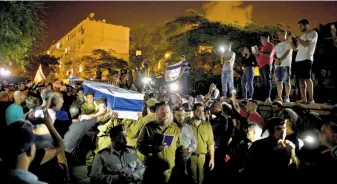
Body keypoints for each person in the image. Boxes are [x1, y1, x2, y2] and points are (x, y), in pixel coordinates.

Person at [137, 101, 183, 183]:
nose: (165, 115)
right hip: (153, 171)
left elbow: (179, 149)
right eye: (162, 112)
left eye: (167, 112)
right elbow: (140, 146)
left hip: (169, 170)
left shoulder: (175, 128)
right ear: (156, 113)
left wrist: (179, 167)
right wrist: (154, 149)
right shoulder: (149, 127)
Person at [293, 19, 318, 104]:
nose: (300, 28)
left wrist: (298, 39)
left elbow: (306, 44)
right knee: (300, 80)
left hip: (307, 58)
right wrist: (290, 41)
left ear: (306, 25)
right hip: (298, 59)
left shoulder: (313, 33)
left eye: (301, 26)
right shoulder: (302, 36)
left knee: (307, 78)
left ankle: (311, 99)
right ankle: (304, 99)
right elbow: (295, 48)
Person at [189, 103, 215, 184]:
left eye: (202, 111)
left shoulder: (207, 126)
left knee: (201, 180)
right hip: (190, 158)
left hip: (202, 158)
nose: (201, 113)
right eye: (198, 111)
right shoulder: (187, 125)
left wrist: (212, 159)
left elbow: (210, 143)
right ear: (194, 112)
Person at [254, 32, 275, 103]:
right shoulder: (262, 48)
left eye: (262, 39)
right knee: (262, 82)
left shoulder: (270, 45)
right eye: (261, 39)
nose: (261, 40)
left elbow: (269, 55)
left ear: (267, 38)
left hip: (266, 65)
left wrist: (260, 52)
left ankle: (268, 97)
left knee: (267, 81)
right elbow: (258, 59)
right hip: (261, 66)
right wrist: (256, 55)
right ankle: (263, 97)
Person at [274, 29, 293, 103]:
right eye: (278, 35)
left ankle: (287, 97)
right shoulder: (277, 45)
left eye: (280, 35)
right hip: (277, 66)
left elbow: (287, 53)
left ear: (284, 34)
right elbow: (274, 54)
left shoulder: (288, 43)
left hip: (285, 64)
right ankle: (279, 97)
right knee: (278, 82)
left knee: (286, 81)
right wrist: (276, 60)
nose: (278, 36)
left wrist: (280, 60)